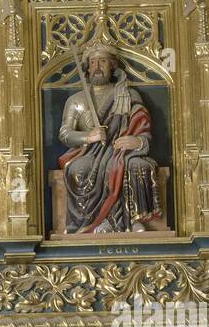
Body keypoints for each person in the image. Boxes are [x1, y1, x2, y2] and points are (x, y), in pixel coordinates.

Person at [57, 43, 159, 233]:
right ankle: (90, 222)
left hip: (122, 151)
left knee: (137, 165)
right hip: (89, 152)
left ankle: (133, 220)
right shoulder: (76, 100)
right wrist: (88, 136)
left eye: (102, 61)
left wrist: (138, 142)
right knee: (79, 170)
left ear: (112, 65)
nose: (97, 66)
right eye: (93, 62)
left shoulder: (128, 94)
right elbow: (65, 134)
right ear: (87, 68)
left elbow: (142, 127)